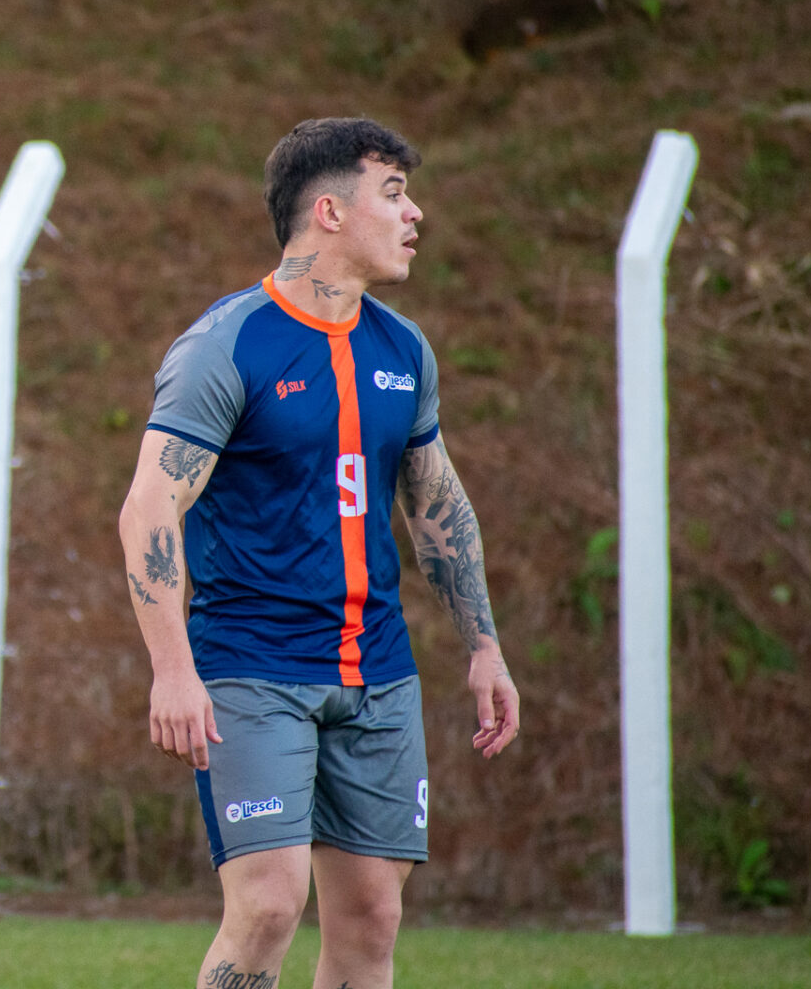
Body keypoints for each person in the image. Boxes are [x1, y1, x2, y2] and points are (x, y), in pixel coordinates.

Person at [119, 117, 520, 989]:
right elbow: (150, 507)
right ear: (330, 212)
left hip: (378, 674)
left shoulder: (404, 350)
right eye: (395, 193)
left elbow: (436, 504)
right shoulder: (226, 345)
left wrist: (483, 646)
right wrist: (171, 669)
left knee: (373, 921)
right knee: (266, 907)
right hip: (252, 669)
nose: (415, 214)